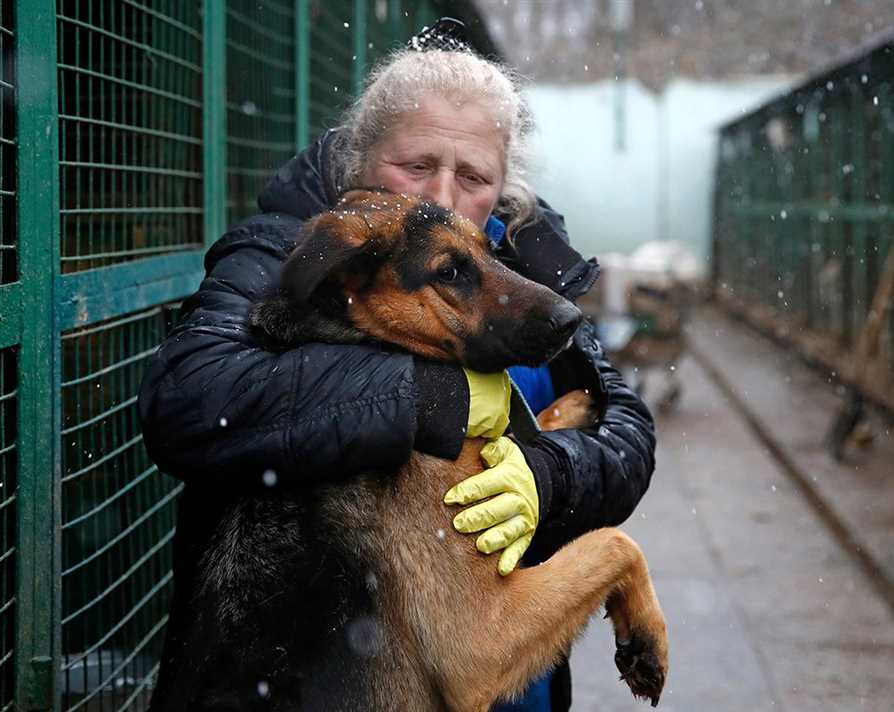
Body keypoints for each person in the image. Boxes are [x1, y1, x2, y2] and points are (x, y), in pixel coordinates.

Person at [139, 20, 655, 712]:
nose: (441, 195)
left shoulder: (526, 274)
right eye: (415, 166)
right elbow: (191, 401)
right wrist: (432, 401)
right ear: (359, 157)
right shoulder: (294, 258)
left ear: (503, 189)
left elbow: (625, 431)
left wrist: (546, 474)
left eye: (473, 175)